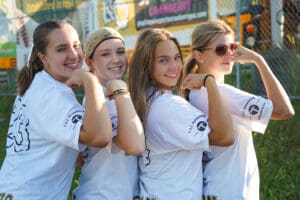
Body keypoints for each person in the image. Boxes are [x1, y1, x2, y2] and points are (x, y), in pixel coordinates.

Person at [0, 20, 114, 199]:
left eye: (76, 46)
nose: (74, 55)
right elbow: (100, 137)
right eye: (61, 49)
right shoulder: (51, 94)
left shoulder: (38, 82)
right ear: (43, 57)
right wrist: (90, 81)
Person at [183, 19, 295, 200]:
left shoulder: (195, 92)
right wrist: (259, 60)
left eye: (232, 47)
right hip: (231, 192)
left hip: (215, 189)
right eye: (220, 49)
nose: (228, 54)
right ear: (199, 55)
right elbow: (284, 110)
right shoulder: (222, 93)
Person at [128, 28, 234, 200]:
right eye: (163, 60)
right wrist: (209, 82)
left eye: (177, 57)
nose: (174, 66)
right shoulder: (168, 106)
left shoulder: (146, 98)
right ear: (146, 64)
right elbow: (225, 136)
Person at [72, 27, 145, 200]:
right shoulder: (97, 102)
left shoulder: (120, 96)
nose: (116, 60)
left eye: (120, 52)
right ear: (89, 63)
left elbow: (81, 157)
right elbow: (133, 146)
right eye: (105, 54)